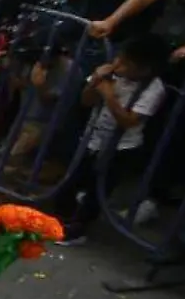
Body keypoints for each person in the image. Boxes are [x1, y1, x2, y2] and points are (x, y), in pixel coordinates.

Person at [54, 35, 170, 243]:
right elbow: (85, 101)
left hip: (122, 148)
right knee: (71, 181)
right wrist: (96, 82)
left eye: (126, 63)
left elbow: (129, 120)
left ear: (144, 69)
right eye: (119, 58)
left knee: (98, 191)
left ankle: (79, 229)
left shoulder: (154, 89)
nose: (119, 64)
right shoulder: (110, 74)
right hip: (93, 138)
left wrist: (109, 95)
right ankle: (60, 217)